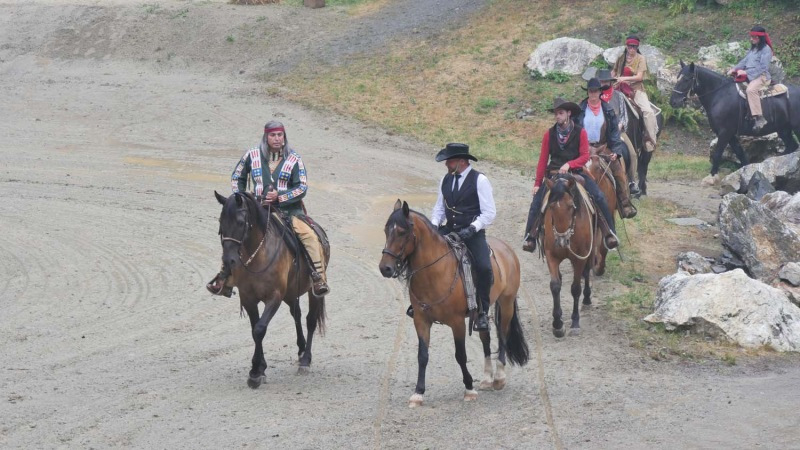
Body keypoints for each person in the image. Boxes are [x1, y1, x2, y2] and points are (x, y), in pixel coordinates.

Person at [206, 120, 329, 297]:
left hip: (289, 211)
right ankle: (224, 278)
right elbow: (237, 177)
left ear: (284, 137)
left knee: (309, 236)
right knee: (234, 234)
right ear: (266, 137)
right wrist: (241, 198)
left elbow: (301, 187)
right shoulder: (252, 155)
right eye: (273, 135)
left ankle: (317, 278)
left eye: (280, 135)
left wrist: (280, 196)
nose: (277, 138)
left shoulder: (294, 159)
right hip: (258, 210)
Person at [522, 98, 619, 253]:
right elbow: (542, 161)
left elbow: (585, 156)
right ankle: (530, 236)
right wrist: (537, 183)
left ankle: (609, 233)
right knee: (536, 203)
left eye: (560, 113)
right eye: (556, 113)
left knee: (599, 197)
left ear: (568, 113)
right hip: (554, 174)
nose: (557, 116)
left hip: (576, 173)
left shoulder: (580, 132)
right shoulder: (549, 134)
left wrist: (569, 164)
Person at [424, 143, 496, 332]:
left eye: (450, 161)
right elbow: (439, 208)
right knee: (423, 256)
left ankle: (483, 311)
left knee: (484, 267)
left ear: (462, 161)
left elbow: (489, 212)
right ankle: (422, 302)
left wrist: (473, 228)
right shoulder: (445, 180)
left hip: (472, 233)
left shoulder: (480, 180)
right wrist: (433, 225)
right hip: (449, 229)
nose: (446, 164)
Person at [576, 77, 637, 219]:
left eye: (595, 91)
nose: (592, 94)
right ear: (588, 92)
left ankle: (624, 203)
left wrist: (616, 151)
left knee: (618, 170)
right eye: (590, 91)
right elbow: (575, 129)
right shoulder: (580, 109)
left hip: (603, 147)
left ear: (600, 92)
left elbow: (614, 133)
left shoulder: (608, 110)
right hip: (583, 148)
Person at [597, 69, 641, 198]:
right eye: (601, 81)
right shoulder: (594, 96)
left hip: (617, 131)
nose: (604, 83)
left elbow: (624, 116)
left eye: (606, 81)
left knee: (632, 154)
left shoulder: (619, 96)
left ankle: (632, 181)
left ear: (610, 82)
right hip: (598, 133)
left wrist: (618, 127)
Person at [612, 35, 658, 152]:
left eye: (634, 47)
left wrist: (623, 78)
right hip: (618, 87)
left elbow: (639, 77)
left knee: (648, 111)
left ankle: (650, 141)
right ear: (626, 46)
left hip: (635, 89)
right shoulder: (621, 58)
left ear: (637, 47)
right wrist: (611, 78)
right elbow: (614, 71)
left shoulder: (641, 58)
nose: (632, 49)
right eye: (630, 46)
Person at [728, 25, 773, 132]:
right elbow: (744, 61)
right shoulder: (754, 48)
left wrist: (746, 72)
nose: (751, 39)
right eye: (751, 37)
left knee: (751, 90)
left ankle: (759, 118)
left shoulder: (766, 50)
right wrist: (734, 68)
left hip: (761, 76)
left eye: (754, 37)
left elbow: (763, 68)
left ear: (760, 38)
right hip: (750, 75)